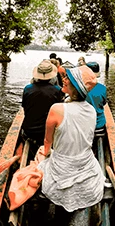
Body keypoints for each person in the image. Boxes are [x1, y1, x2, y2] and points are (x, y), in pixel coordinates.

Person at [37, 65, 105, 212]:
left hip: (63, 167)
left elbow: (48, 141)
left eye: (68, 78)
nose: (64, 80)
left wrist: (45, 152)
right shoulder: (91, 110)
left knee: (40, 153)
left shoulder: (57, 109)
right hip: (85, 163)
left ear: (74, 86)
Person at [20, 59, 64, 154]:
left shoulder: (28, 88)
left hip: (29, 130)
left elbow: (24, 107)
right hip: (48, 132)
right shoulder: (57, 90)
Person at [85, 62, 107, 138]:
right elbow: (104, 103)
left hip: (85, 126)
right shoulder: (102, 88)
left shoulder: (80, 88)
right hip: (99, 125)